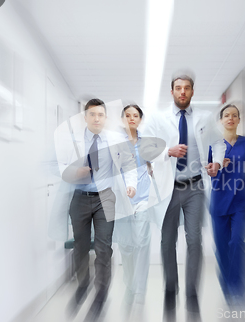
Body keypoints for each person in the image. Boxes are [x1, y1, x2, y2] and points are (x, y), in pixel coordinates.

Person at [142, 74, 226, 321]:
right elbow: (144, 147)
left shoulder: (204, 118)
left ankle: (191, 293)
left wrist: (216, 163)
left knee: (194, 240)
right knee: (167, 241)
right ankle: (170, 288)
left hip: (195, 187)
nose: (182, 92)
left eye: (186, 88)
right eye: (178, 88)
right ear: (172, 92)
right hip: (168, 188)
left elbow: (218, 142)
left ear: (192, 92)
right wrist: (167, 151)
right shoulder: (158, 119)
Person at [54, 98, 137, 319]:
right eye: (92, 115)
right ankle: (83, 284)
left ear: (105, 118)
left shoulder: (115, 140)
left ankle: (100, 295)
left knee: (103, 249)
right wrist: (74, 173)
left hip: (106, 198)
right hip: (79, 197)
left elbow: (129, 164)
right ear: (86, 118)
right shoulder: (73, 141)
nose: (97, 118)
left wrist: (131, 184)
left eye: (101, 115)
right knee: (80, 248)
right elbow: (60, 166)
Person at [208, 104, 245, 306]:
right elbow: (209, 170)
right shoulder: (213, 144)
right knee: (222, 247)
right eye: (226, 115)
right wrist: (216, 168)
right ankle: (227, 287)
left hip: (240, 200)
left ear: (238, 119)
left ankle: (239, 287)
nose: (230, 118)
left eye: (234, 115)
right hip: (219, 200)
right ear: (221, 120)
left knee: (237, 242)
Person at [113, 104, 153, 315]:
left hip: (143, 198)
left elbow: (157, 164)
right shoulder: (114, 142)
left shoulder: (147, 142)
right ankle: (129, 286)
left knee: (142, 243)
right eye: (127, 115)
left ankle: (140, 290)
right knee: (126, 246)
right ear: (122, 118)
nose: (131, 118)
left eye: (135, 115)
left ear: (140, 119)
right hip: (122, 201)